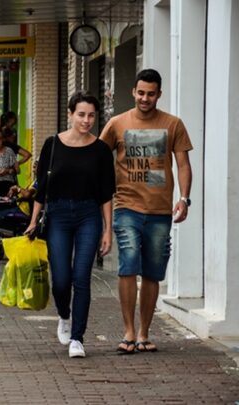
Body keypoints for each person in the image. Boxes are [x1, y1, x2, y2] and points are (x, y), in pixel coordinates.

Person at [99, 69, 193, 354]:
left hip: (160, 210)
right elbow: (99, 159)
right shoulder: (117, 124)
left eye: (151, 94)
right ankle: (128, 332)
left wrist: (185, 199)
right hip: (126, 206)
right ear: (134, 92)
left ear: (159, 94)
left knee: (152, 272)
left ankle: (144, 333)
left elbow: (183, 165)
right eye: (141, 93)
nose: (145, 98)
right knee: (128, 266)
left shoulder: (173, 124)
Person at [24, 91, 116, 358]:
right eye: (81, 115)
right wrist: (32, 222)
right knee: (62, 279)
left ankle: (78, 338)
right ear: (70, 114)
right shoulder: (52, 144)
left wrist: (107, 229)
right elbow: (42, 188)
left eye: (91, 116)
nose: (86, 121)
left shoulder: (100, 150)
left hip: (89, 215)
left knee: (82, 277)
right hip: (58, 216)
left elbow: (105, 194)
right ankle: (64, 315)